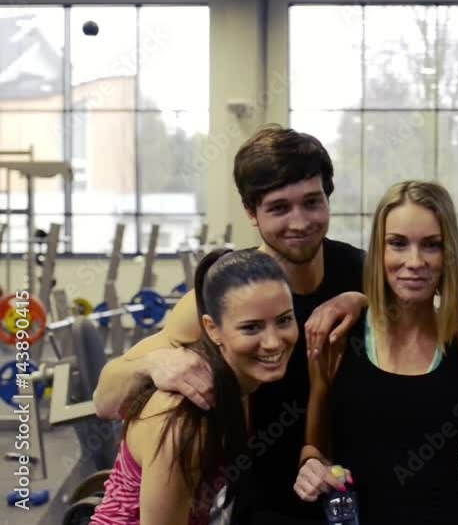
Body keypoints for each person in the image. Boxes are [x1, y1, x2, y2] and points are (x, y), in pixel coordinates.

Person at [93, 126, 368, 524]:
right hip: (261, 502)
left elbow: (438, 325)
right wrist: (152, 365)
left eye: (312, 202)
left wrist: (363, 299)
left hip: (350, 491)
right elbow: (105, 399)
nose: (299, 222)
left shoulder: (367, 274)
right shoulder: (226, 294)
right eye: (279, 208)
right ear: (251, 212)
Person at [293, 181, 458, 525]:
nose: (414, 262)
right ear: (379, 250)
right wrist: (310, 466)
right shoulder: (339, 337)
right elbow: (315, 448)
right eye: (398, 244)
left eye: (431, 245)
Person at [91, 249, 298, 525]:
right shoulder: (185, 417)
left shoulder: (243, 382)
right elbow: (103, 401)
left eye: (284, 320)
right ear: (212, 329)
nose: (273, 342)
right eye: (251, 328)